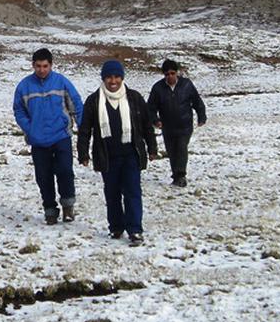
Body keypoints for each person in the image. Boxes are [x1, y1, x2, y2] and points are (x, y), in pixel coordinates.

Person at [77, 60, 157, 245]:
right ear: (103, 78)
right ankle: (116, 227)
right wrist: (83, 153)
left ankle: (135, 230)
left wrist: (152, 148)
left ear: (122, 78)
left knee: (132, 192)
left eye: (116, 77)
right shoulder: (94, 100)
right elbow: (85, 129)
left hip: (131, 154)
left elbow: (146, 126)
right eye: (109, 77)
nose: (113, 81)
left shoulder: (134, 98)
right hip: (107, 156)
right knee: (112, 194)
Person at [13, 47, 84, 225]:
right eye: (38, 66)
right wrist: (30, 129)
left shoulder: (61, 82)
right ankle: (50, 210)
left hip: (61, 136)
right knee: (43, 177)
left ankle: (68, 206)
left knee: (65, 172)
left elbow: (76, 104)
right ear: (33, 65)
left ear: (51, 65)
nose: (42, 70)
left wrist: (83, 128)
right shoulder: (24, 86)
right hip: (38, 140)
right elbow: (19, 110)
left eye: (45, 66)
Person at [147, 58, 206, 187]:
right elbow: (150, 108)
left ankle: (181, 175)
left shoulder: (187, 85)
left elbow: (197, 101)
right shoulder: (158, 88)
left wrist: (202, 116)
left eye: (172, 73)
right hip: (167, 126)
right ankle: (176, 175)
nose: (170, 76)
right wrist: (155, 121)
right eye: (167, 74)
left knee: (181, 148)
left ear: (177, 73)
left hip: (185, 125)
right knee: (172, 151)